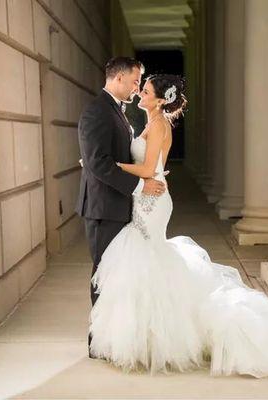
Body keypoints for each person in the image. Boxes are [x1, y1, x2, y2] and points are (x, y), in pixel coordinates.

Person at [87, 73, 268, 377]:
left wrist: (110, 165)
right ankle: (146, 338)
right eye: (139, 89)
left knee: (145, 257)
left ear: (159, 99)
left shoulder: (159, 124)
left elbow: (146, 168)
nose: (139, 93)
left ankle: (157, 339)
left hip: (152, 201)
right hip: (147, 196)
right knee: (146, 259)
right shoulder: (149, 123)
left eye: (144, 91)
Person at [75, 57, 166, 358]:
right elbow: (98, 162)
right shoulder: (96, 112)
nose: (137, 87)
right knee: (103, 274)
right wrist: (141, 186)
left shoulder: (116, 110)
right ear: (117, 79)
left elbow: (103, 159)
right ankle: (97, 343)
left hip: (119, 205)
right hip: (103, 208)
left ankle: (112, 337)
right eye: (134, 81)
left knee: (117, 273)